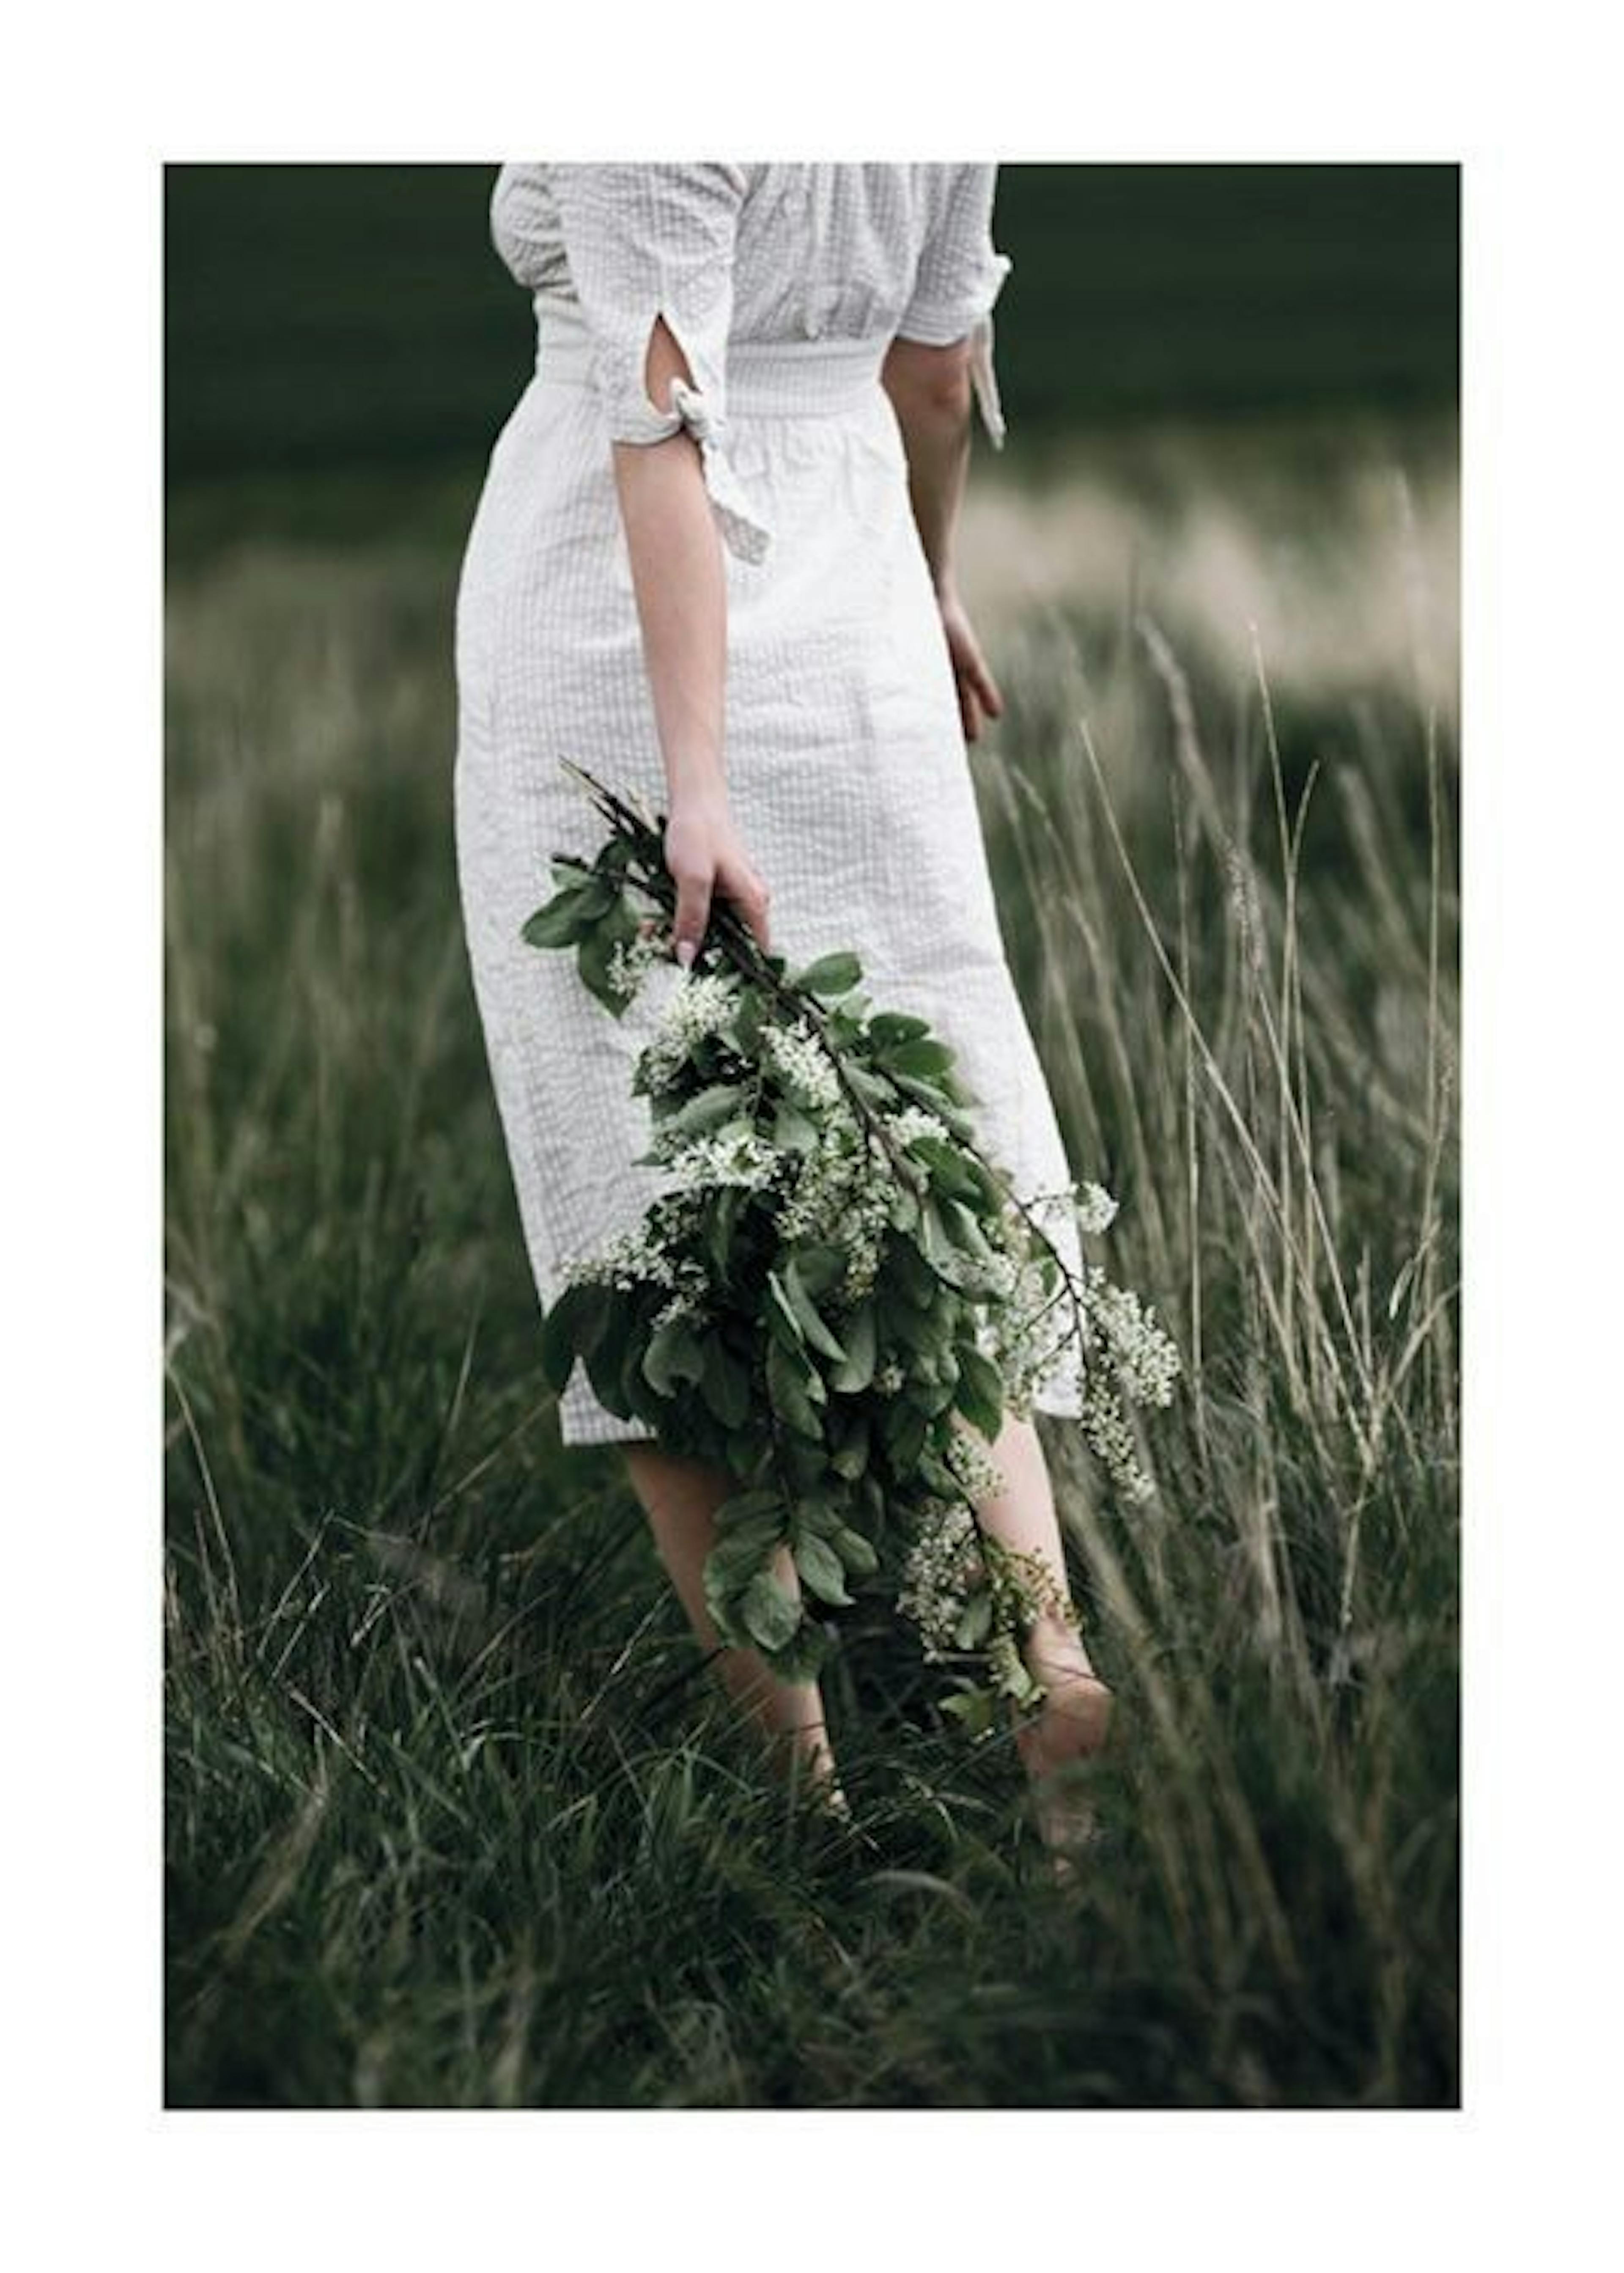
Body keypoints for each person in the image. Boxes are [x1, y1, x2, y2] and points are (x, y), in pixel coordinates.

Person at [454, 162, 1111, 1857]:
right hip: (861, 592)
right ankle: (1046, 1660)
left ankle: (813, 1820)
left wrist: (693, 790)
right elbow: (941, 369)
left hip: (622, 624)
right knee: (916, 1157)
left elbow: (661, 425)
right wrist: (932, 577)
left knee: (653, 1191)